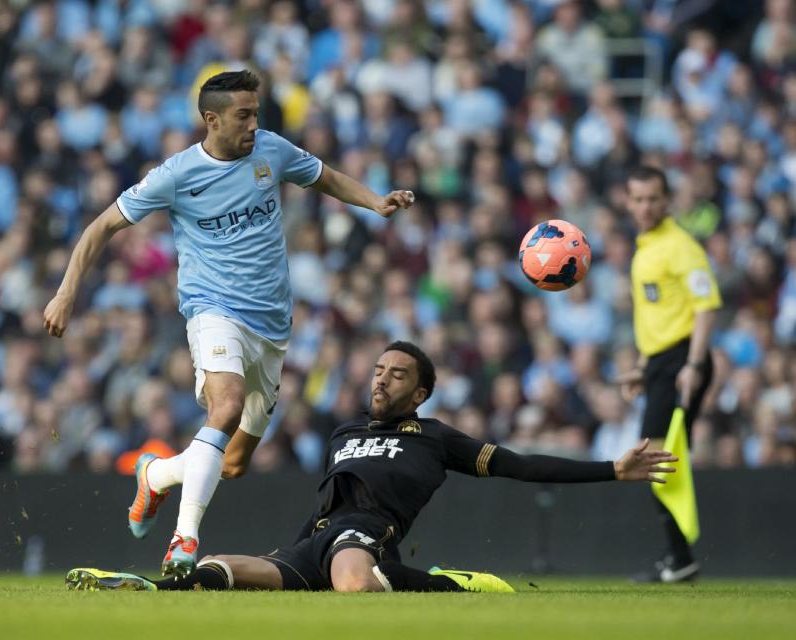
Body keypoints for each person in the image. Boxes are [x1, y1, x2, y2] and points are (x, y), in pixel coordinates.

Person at [42, 69, 415, 578]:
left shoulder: (271, 150)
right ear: (211, 119)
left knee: (234, 462)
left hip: (272, 325)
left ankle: (156, 475)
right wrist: (66, 292)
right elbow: (101, 226)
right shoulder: (175, 175)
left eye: (256, 114)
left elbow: (323, 175)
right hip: (213, 310)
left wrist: (374, 201)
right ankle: (184, 540)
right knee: (225, 406)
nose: (253, 124)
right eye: (243, 115)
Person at [65, 341, 678, 593]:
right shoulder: (344, 431)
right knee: (222, 568)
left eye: (398, 375)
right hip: (318, 538)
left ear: (420, 393)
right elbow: (325, 497)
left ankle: (449, 586)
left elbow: (521, 465)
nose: (382, 380)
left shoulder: (436, 439)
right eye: (379, 370)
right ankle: (157, 588)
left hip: (368, 532)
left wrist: (610, 469)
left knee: (354, 582)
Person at [616, 166, 721, 583]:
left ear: (667, 200)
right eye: (637, 199)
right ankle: (678, 557)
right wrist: (644, 368)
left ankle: (680, 559)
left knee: (656, 458)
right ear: (628, 202)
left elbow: (705, 307)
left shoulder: (681, 247)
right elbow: (656, 316)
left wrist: (693, 365)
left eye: (652, 199)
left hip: (682, 360)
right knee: (658, 459)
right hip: (661, 362)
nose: (645, 207)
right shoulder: (646, 248)